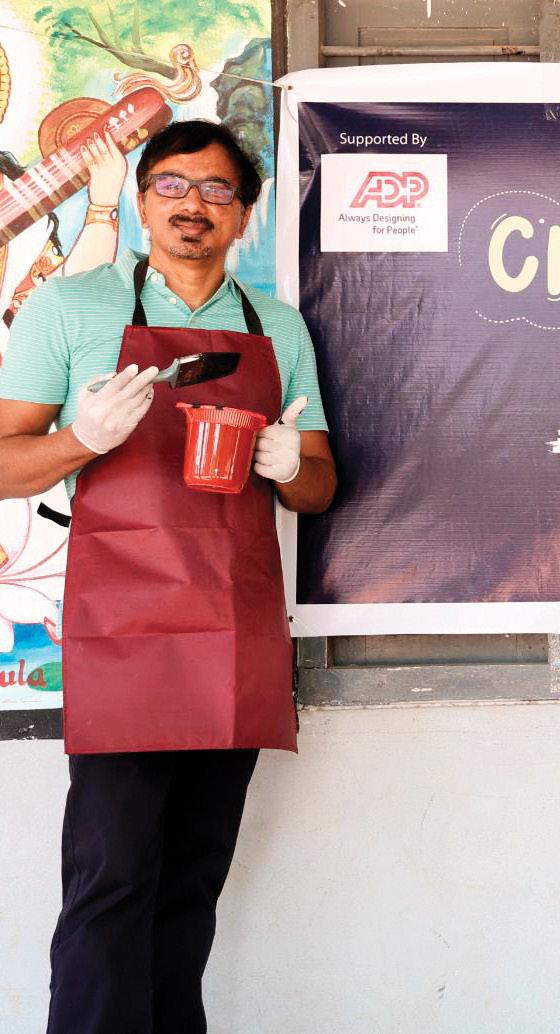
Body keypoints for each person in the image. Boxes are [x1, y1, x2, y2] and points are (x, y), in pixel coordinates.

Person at [0, 119, 335, 1034]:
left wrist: (287, 465)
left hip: (233, 632)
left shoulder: (277, 328)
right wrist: (81, 441)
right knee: (111, 880)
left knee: (191, 884)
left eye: (218, 189)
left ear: (244, 214)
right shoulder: (70, 308)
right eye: (174, 186)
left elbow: (318, 483)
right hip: (123, 633)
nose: (195, 204)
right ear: (142, 202)